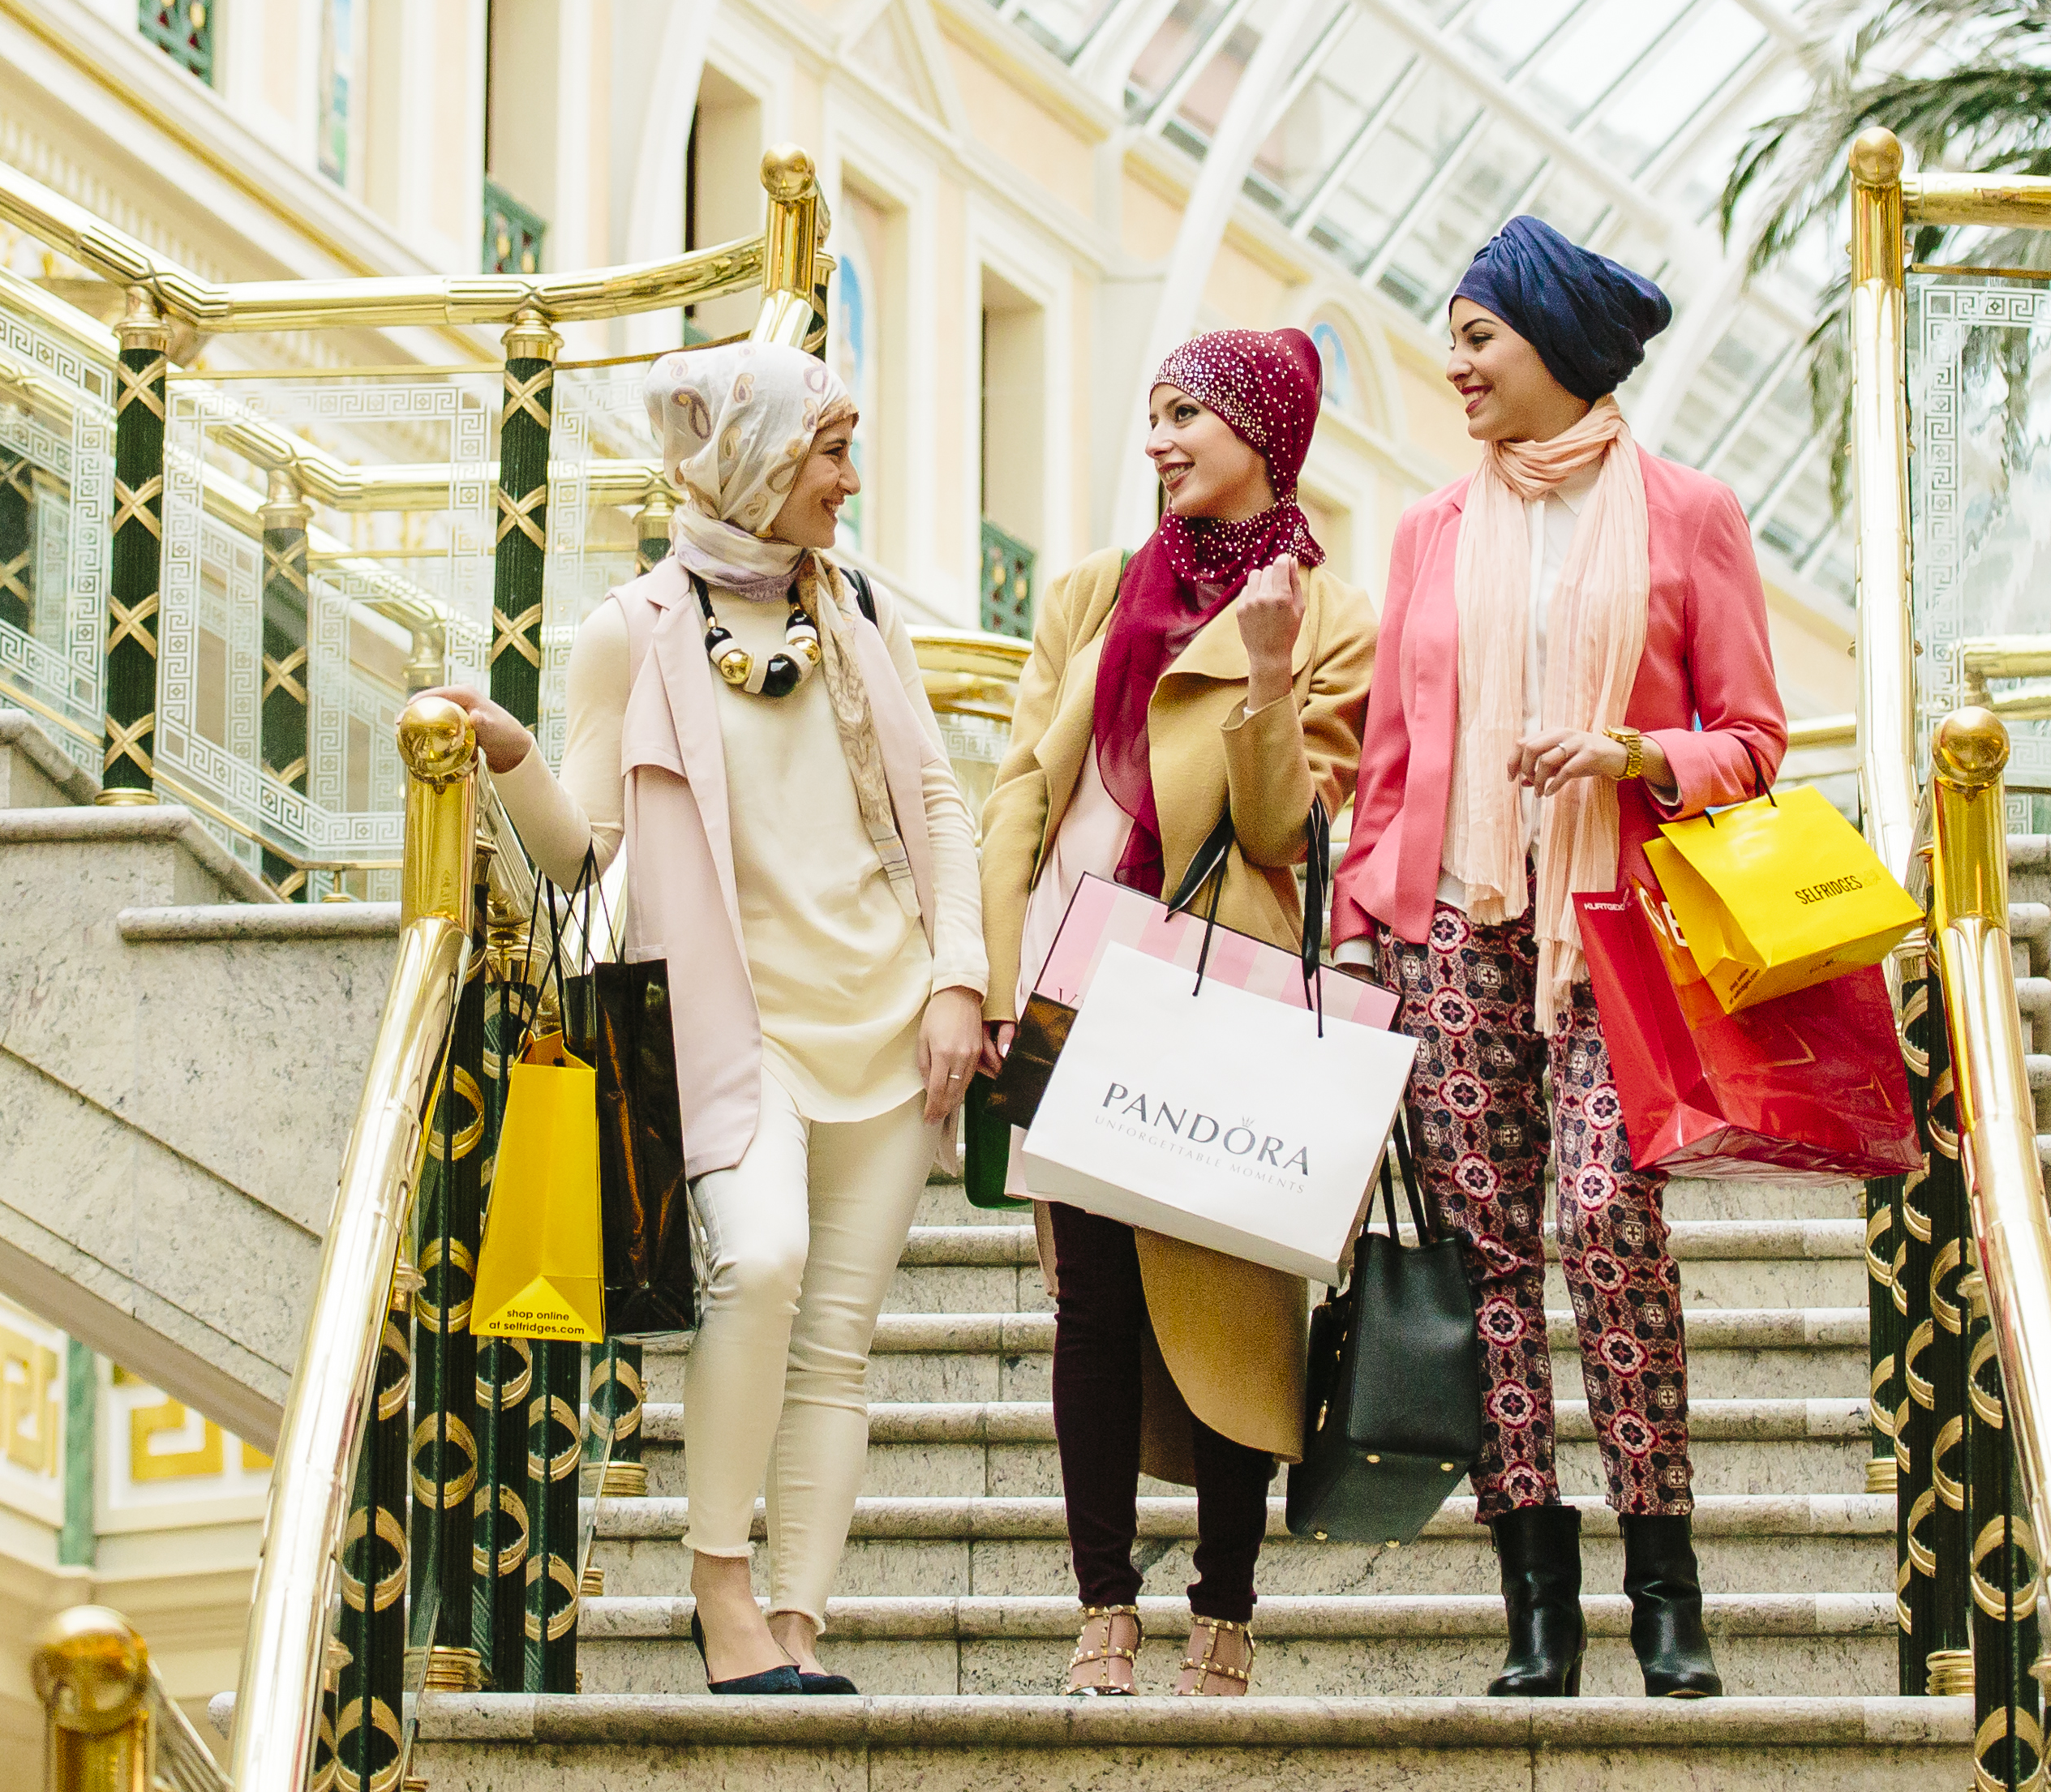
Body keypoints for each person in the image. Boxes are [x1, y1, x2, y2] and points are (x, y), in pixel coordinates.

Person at [436, 337, 986, 1697]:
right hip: (736, 1034)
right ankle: (718, 1583)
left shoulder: (854, 604)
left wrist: (960, 977)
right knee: (760, 1262)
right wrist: (508, 756)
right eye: (828, 451)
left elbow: (937, 802)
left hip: (889, 1011)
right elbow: (580, 857)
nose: (848, 479)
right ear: (753, 459)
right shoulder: (635, 630)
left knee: (838, 1345)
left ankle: (798, 1626)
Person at [1326, 216, 1786, 1701]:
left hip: (1617, 934)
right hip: (1450, 926)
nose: (1451, 363)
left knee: (1602, 1217)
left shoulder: (1690, 513)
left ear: (1556, 348)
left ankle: (1667, 1585)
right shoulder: (1427, 533)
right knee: (1489, 1263)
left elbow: (1757, 745)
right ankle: (1536, 1600)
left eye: (1477, 336)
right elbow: (1391, 761)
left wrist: (1636, 751)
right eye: (1452, 336)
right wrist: (1356, 939)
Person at [976, 330, 1375, 1700]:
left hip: (1219, 986)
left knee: (1231, 1297)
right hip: (1078, 972)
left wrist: (1267, 675)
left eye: (1185, 414)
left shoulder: (1329, 617)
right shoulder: (1094, 591)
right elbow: (1022, 784)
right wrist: (989, 968)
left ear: (1261, 429)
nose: (1157, 439)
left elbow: (1281, 827)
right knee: (1088, 1303)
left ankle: (1225, 1607)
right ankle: (1104, 1606)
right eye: (1149, 413)